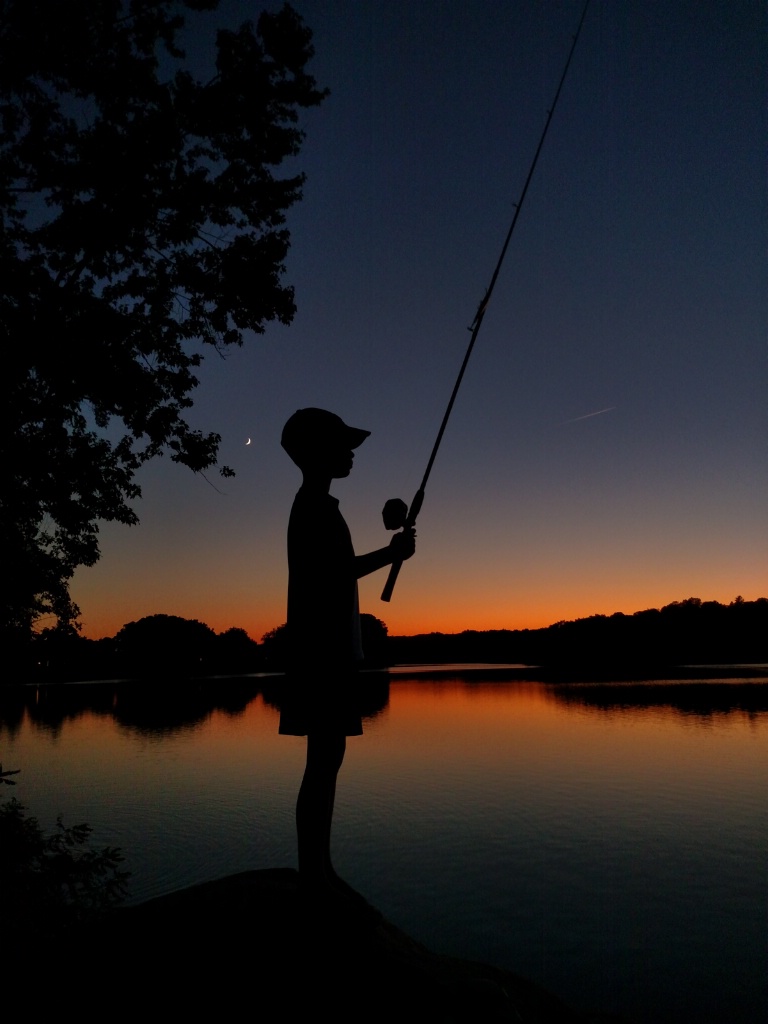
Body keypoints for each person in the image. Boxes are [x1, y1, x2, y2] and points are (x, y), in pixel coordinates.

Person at [279, 408, 415, 909]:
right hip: (320, 654)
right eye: (343, 445)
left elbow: (337, 571)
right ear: (317, 453)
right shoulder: (312, 507)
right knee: (323, 761)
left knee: (328, 758)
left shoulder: (320, 504)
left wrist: (389, 553)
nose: (352, 452)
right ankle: (313, 872)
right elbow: (337, 572)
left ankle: (320, 866)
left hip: (327, 651)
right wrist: (391, 554)